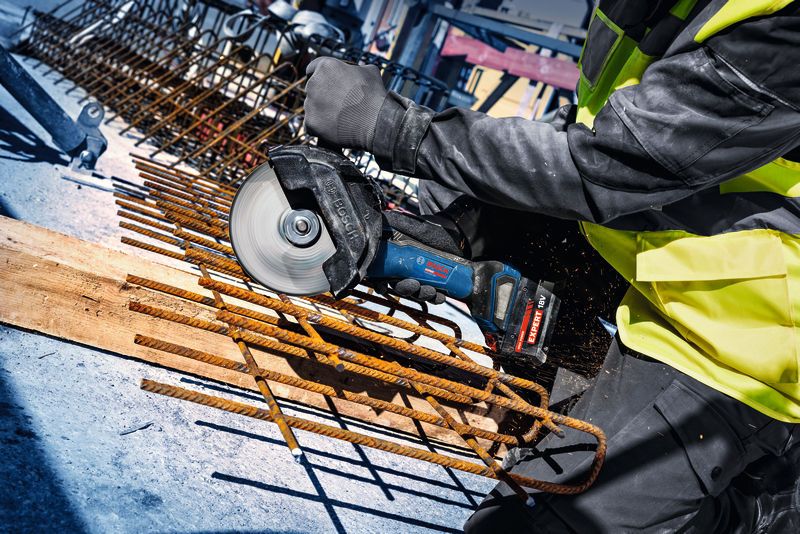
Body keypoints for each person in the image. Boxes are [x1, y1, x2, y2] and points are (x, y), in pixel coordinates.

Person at [301, 0, 800, 531]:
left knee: (517, 528)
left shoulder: (783, 26)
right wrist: (458, 227)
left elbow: (617, 164)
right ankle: (577, 394)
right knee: (462, 198)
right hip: (668, 256)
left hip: (743, 335)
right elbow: (593, 122)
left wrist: (394, 128)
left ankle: (755, 510)